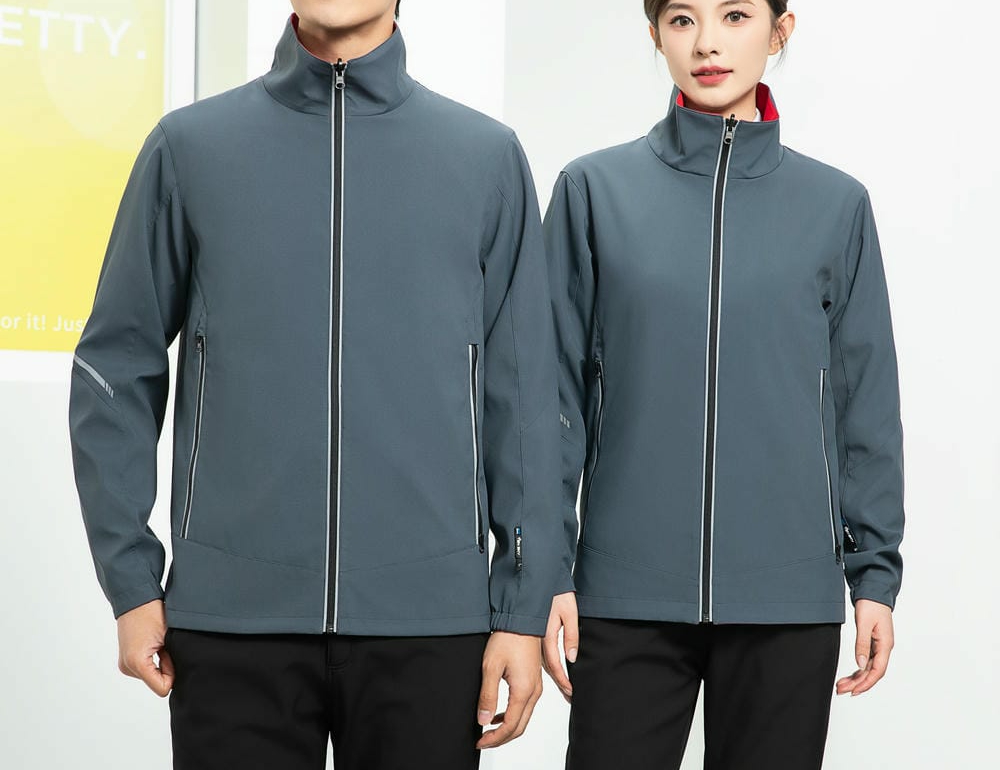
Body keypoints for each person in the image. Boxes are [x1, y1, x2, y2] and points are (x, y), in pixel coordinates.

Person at [68, 2, 566, 768]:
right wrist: (131, 583)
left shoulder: (484, 158)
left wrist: (523, 608)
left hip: (430, 627)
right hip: (234, 624)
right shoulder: (190, 149)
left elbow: (524, 400)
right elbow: (114, 369)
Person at [541, 1, 905, 768]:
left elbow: (863, 406)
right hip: (625, 597)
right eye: (682, 19)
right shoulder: (593, 191)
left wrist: (874, 576)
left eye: (735, 15)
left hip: (786, 603)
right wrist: (541, 570)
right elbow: (551, 400)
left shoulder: (836, 207)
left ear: (780, 31)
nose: (707, 42)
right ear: (654, 35)